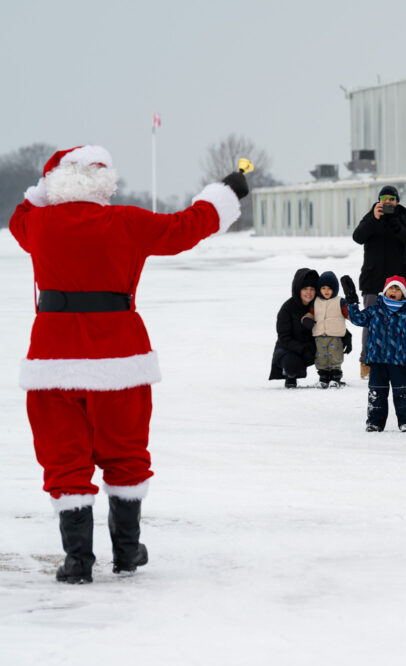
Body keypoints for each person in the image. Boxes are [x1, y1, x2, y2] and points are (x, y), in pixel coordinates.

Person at [9, 144, 245, 583]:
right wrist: (225, 194)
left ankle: (78, 561)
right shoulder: (128, 222)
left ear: (55, 184)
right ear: (105, 184)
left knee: (64, 457)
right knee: (126, 451)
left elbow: (21, 214)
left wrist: (43, 191)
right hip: (120, 356)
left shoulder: (36, 224)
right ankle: (127, 551)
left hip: (53, 358)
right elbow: (185, 227)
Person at [341, 274, 406, 433]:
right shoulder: (374, 311)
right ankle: (375, 422)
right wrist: (351, 301)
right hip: (377, 361)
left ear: (403, 294)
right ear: (385, 291)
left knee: (402, 392)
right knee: (377, 392)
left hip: (399, 362)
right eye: (391, 288)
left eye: (398, 289)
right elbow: (357, 319)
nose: (393, 291)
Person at [352, 185, 406, 379]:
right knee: (371, 322)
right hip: (373, 280)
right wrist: (373, 219)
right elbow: (358, 237)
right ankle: (366, 362)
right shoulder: (371, 216)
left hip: (398, 282)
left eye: (391, 199)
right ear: (379, 201)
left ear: (397, 201)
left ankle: (394, 361)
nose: (387, 202)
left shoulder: (404, 218)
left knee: (398, 323)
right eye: (384, 198)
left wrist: (395, 222)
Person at [270, 267, 319, 388]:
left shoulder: (319, 305)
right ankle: (290, 375)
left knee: (333, 345)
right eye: (305, 289)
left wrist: (345, 336)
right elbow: (284, 338)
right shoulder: (287, 309)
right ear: (298, 289)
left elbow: (332, 322)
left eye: (312, 289)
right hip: (289, 349)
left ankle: (330, 376)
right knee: (292, 364)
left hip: (312, 347)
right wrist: (303, 349)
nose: (309, 292)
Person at [310, 271, 352, 388]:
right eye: (323, 288)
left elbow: (349, 315)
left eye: (329, 288)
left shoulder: (340, 301)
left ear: (335, 289)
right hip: (319, 336)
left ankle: (335, 377)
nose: (326, 291)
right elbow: (310, 315)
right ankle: (323, 377)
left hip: (336, 336)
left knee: (335, 356)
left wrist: (353, 310)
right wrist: (306, 320)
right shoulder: (315, 302)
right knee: (321, 357)